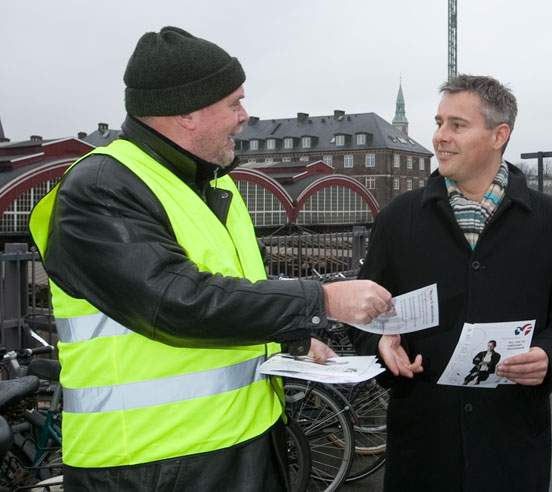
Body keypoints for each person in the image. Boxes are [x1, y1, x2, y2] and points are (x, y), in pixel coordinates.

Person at [28, 26, 392, 491]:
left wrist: (288, 345)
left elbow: (230, 294)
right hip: (148, 464)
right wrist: (319, 300)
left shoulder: (213, 183)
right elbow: (174, 300)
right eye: (234, 103)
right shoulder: (101, 187)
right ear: (186, 113)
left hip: (241, 444)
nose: (245, 117)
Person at [352, 75, 552, 491]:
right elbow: (360, 311)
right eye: (439, 122)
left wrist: (551, 356)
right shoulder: (398, 220)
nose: (440, 137)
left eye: (457, 125)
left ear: (499, 135)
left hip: (511, 441)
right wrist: (379, 344)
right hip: (423, 443)